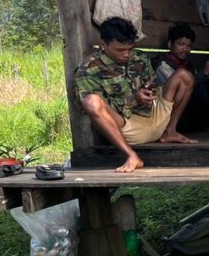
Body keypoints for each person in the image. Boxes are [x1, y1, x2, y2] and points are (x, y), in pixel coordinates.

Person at [75, 16, 197, 173]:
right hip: (129, 129)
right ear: (103, 44)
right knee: (91, 102)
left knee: (184, 76)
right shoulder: (89, 70)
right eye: (120, 50)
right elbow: (100, 111)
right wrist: (134, 100)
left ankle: (170, 131)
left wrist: (149, 92)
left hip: (156, 117)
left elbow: (154, 84)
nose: (127, 54)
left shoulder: (139, 57)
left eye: (130, 49)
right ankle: (132, 156)